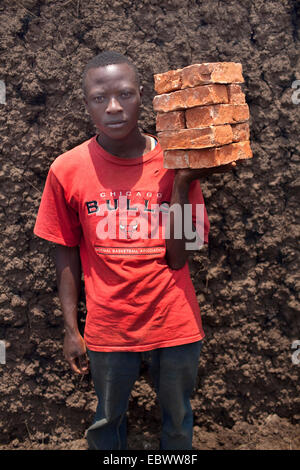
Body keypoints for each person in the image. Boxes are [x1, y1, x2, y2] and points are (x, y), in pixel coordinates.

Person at [33, 50, 236, 450]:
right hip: (109, 326)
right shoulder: (67, 169)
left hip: (174, 321)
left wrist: (180, 185)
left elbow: (179, 257)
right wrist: (72, 329)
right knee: (107, 422)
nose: (113, 108)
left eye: (125, 94)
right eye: (99, 98)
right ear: (86, 103)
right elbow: (65, 251)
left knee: (178, 422)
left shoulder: (179, 161)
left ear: (142, 96)